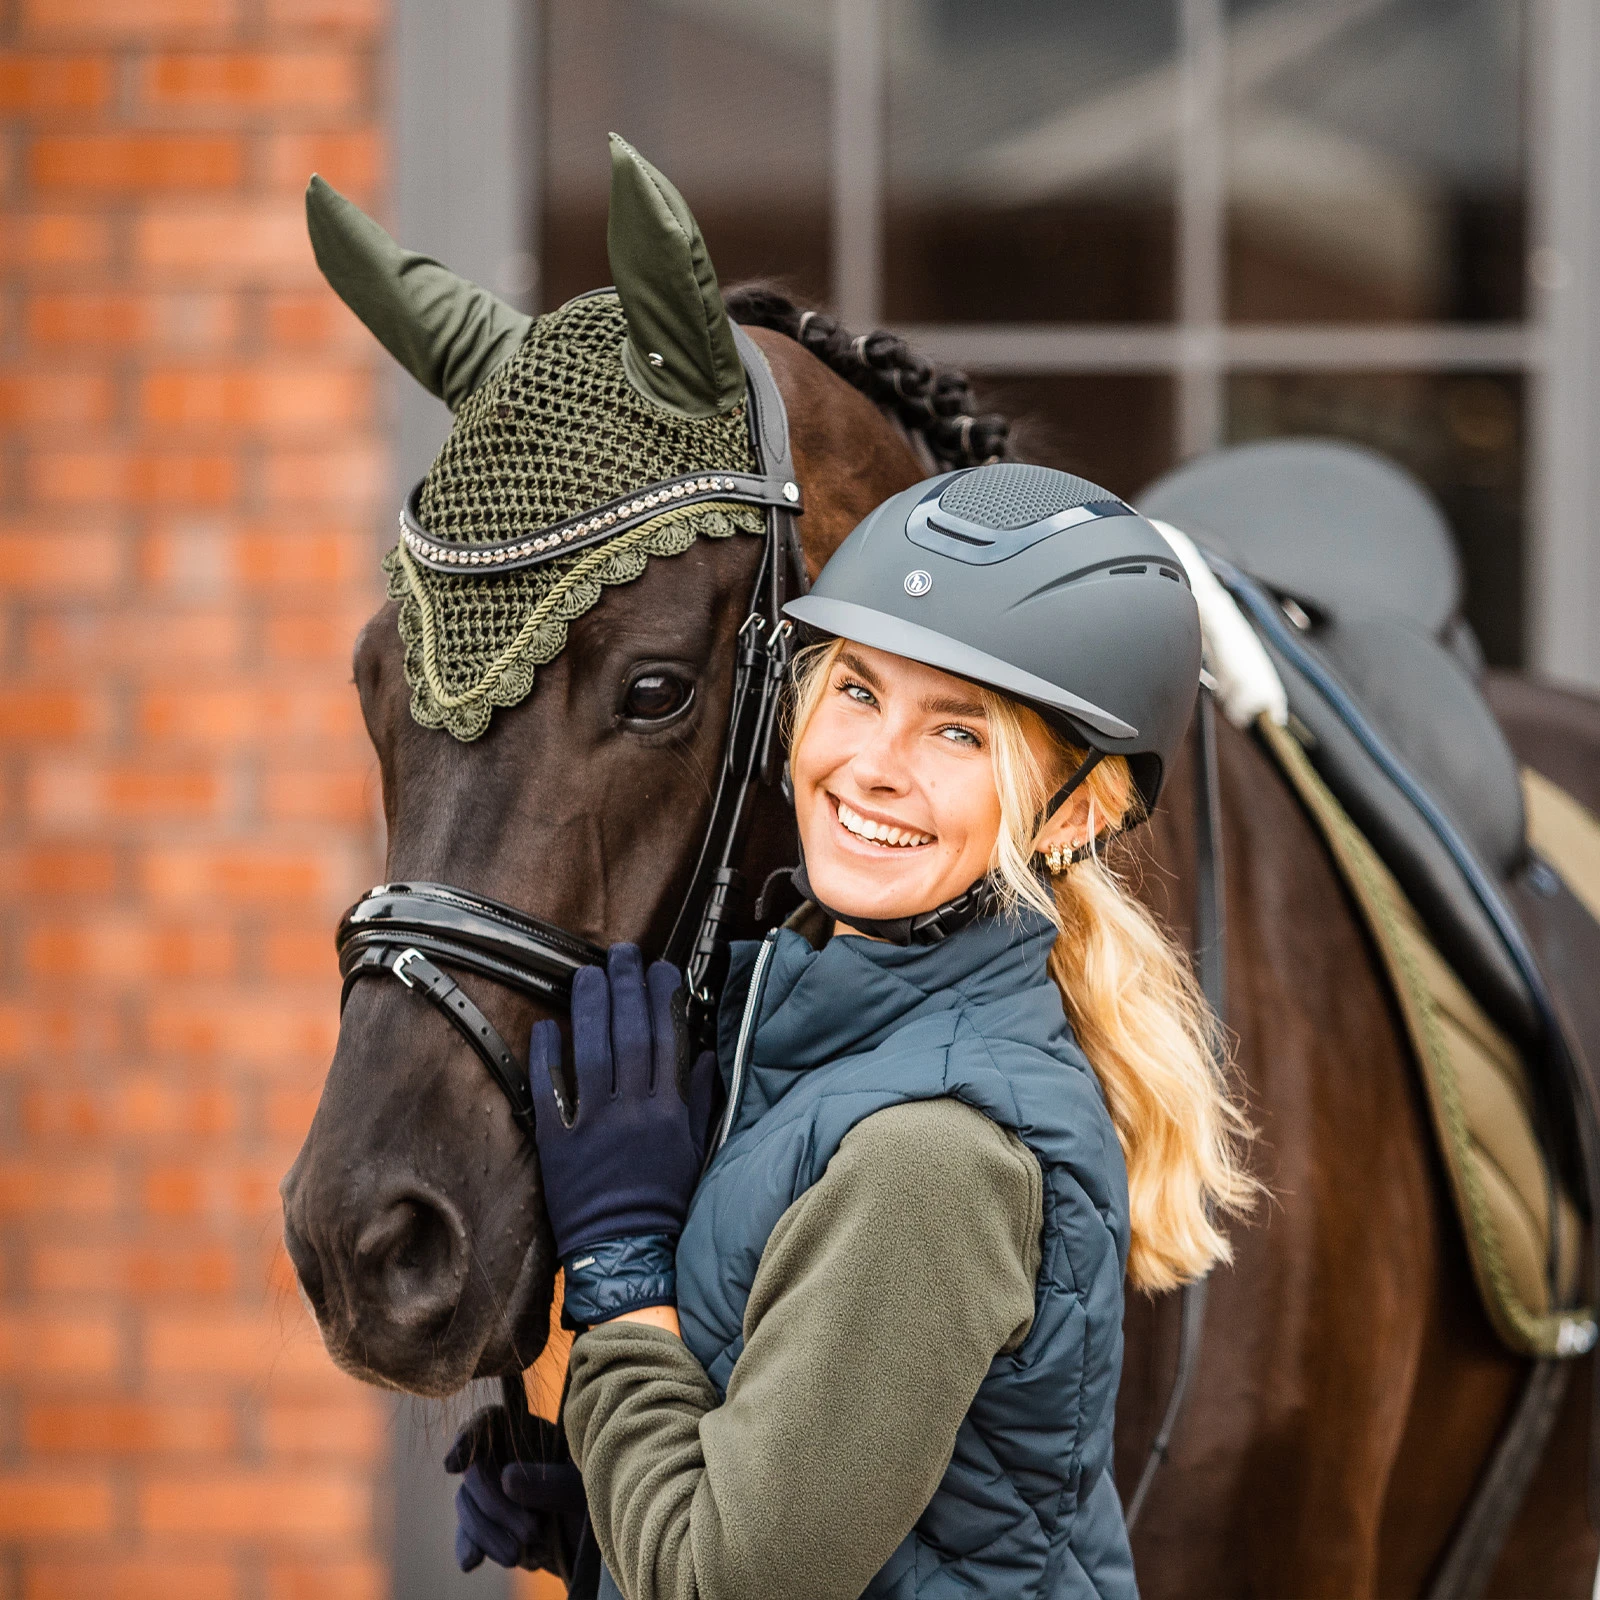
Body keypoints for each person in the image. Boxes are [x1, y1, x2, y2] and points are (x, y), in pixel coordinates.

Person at [448, 462, 1256, 1599]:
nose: (872, 768)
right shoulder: (805, 1040)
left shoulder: (933, 1158)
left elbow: (725, 1581)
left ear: (1074, 808)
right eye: (860, 691)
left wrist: (624, 1274)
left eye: (960, 734)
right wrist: (601, 1510)